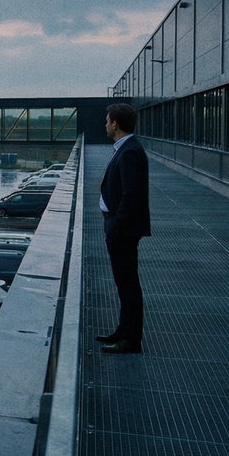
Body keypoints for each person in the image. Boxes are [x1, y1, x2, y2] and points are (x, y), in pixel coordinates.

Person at [98, 103, 151, 354]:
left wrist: (115, 226)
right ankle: (123, 331)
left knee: (128, 285)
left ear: (115, 124)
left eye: (107, 120)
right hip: (121, 228)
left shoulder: (129, 151)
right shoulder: (126, 148)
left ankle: (130, 340)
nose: (105, 124)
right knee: (124, 284)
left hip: (122, 230)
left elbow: (132, 195)